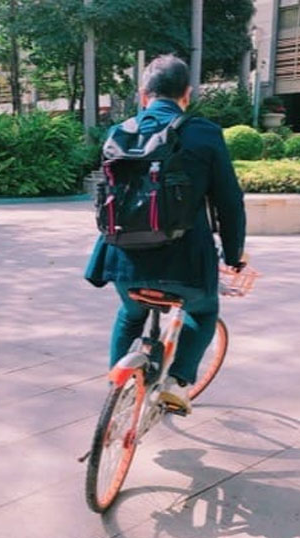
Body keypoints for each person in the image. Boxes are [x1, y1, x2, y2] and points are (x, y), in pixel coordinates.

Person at [85, 54, 246, 414]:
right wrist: (234, 255)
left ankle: (117, 390)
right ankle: (177, 382)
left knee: (130, 314)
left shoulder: (119, 132)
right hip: (186, 263)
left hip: (123, 259)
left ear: (144, 95)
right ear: (186, 95)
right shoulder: (204, 133)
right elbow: (229, 202)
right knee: (204, 311)